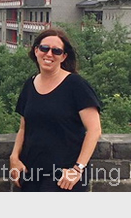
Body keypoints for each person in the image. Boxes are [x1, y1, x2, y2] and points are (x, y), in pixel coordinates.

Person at [9, 28, 102, 192]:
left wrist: (77, 169)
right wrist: (14, 157)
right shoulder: (30, 85)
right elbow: (24, 127)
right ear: (36, 50)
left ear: (64, 56)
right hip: (31, 173)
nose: (49, 54)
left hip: (64, 178)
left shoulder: (76, 85)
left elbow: (94, 130)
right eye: (44, 48)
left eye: (56, 51)